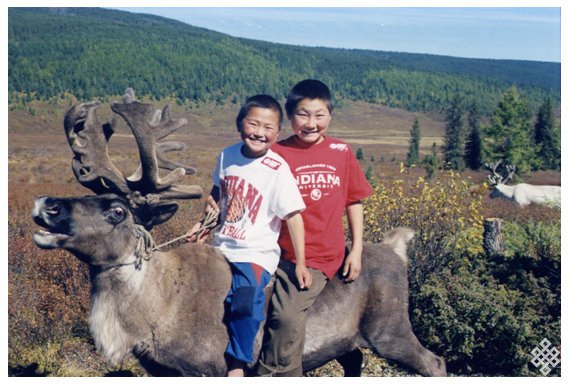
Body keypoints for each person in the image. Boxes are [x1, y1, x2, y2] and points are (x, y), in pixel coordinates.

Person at [255, 79, 373, 376]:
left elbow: (354, 200)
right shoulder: (277, 153)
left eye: (319, 115)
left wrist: (356, 249)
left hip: (320, 255)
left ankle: (273, 374)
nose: (311, 123)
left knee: (285, 316)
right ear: (289, 116)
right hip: (278, 250)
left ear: (330, 116)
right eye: (303, 115)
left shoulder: (341, 151)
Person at [187, 94, 306, 377]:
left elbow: (293, 215)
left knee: (246, 301)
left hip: (255, 252)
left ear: (278, 132)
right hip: (221, 245)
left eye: (268, 128)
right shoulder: (227, 155)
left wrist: (301, 261)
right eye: (253, 124)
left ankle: (238, 364)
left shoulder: (277, 170)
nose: (259, 133)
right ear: (240, 124)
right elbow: (218, 194)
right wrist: (203, 225)